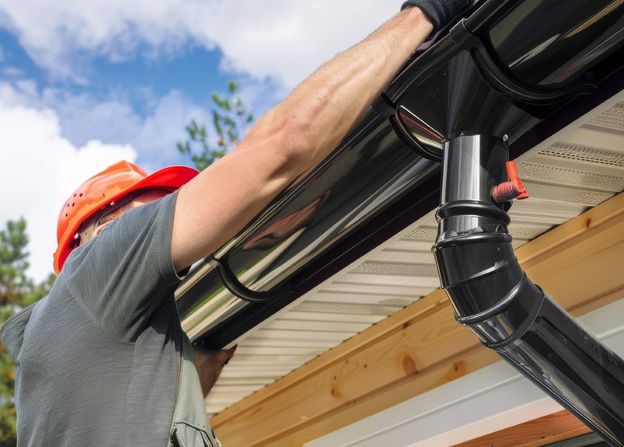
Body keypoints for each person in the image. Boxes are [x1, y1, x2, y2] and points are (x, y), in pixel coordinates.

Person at [0, 1, 469, 445]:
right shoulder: (101, 264)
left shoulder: (59, 363)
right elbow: (284, 143)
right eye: (146, 210)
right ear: (94, 230)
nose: (164, 224)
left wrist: (189, 373)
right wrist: (423, 16)